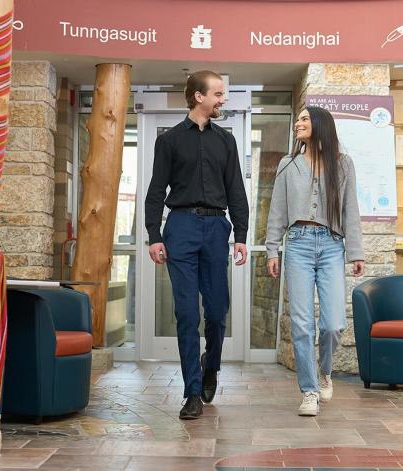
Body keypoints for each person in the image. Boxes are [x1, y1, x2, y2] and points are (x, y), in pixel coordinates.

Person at [144, 70, 249, 420]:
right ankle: (191, 392)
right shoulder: (170, 141)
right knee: (187, 314)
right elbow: (157, 191)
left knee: (217, 312)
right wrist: (154, 235)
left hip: (217, 227)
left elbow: (236, 190)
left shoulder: (226, 141)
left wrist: (242, 236)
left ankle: (211, 365)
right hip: (182, 228)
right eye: (218, 93)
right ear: (198, 96)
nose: (223, 99)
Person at [264, 106, 364, 417]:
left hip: (333, 246)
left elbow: (351, 210)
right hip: (298, 245)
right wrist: (272, 250)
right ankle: (309, 391)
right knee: (302, 325)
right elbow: (277, 211)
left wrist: (356, 252)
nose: (299, 123)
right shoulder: (288, 164)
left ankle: (324, 372)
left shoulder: (343, 164)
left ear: (320, 124)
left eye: (305, 119)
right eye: (298, 119)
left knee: (333, 323)